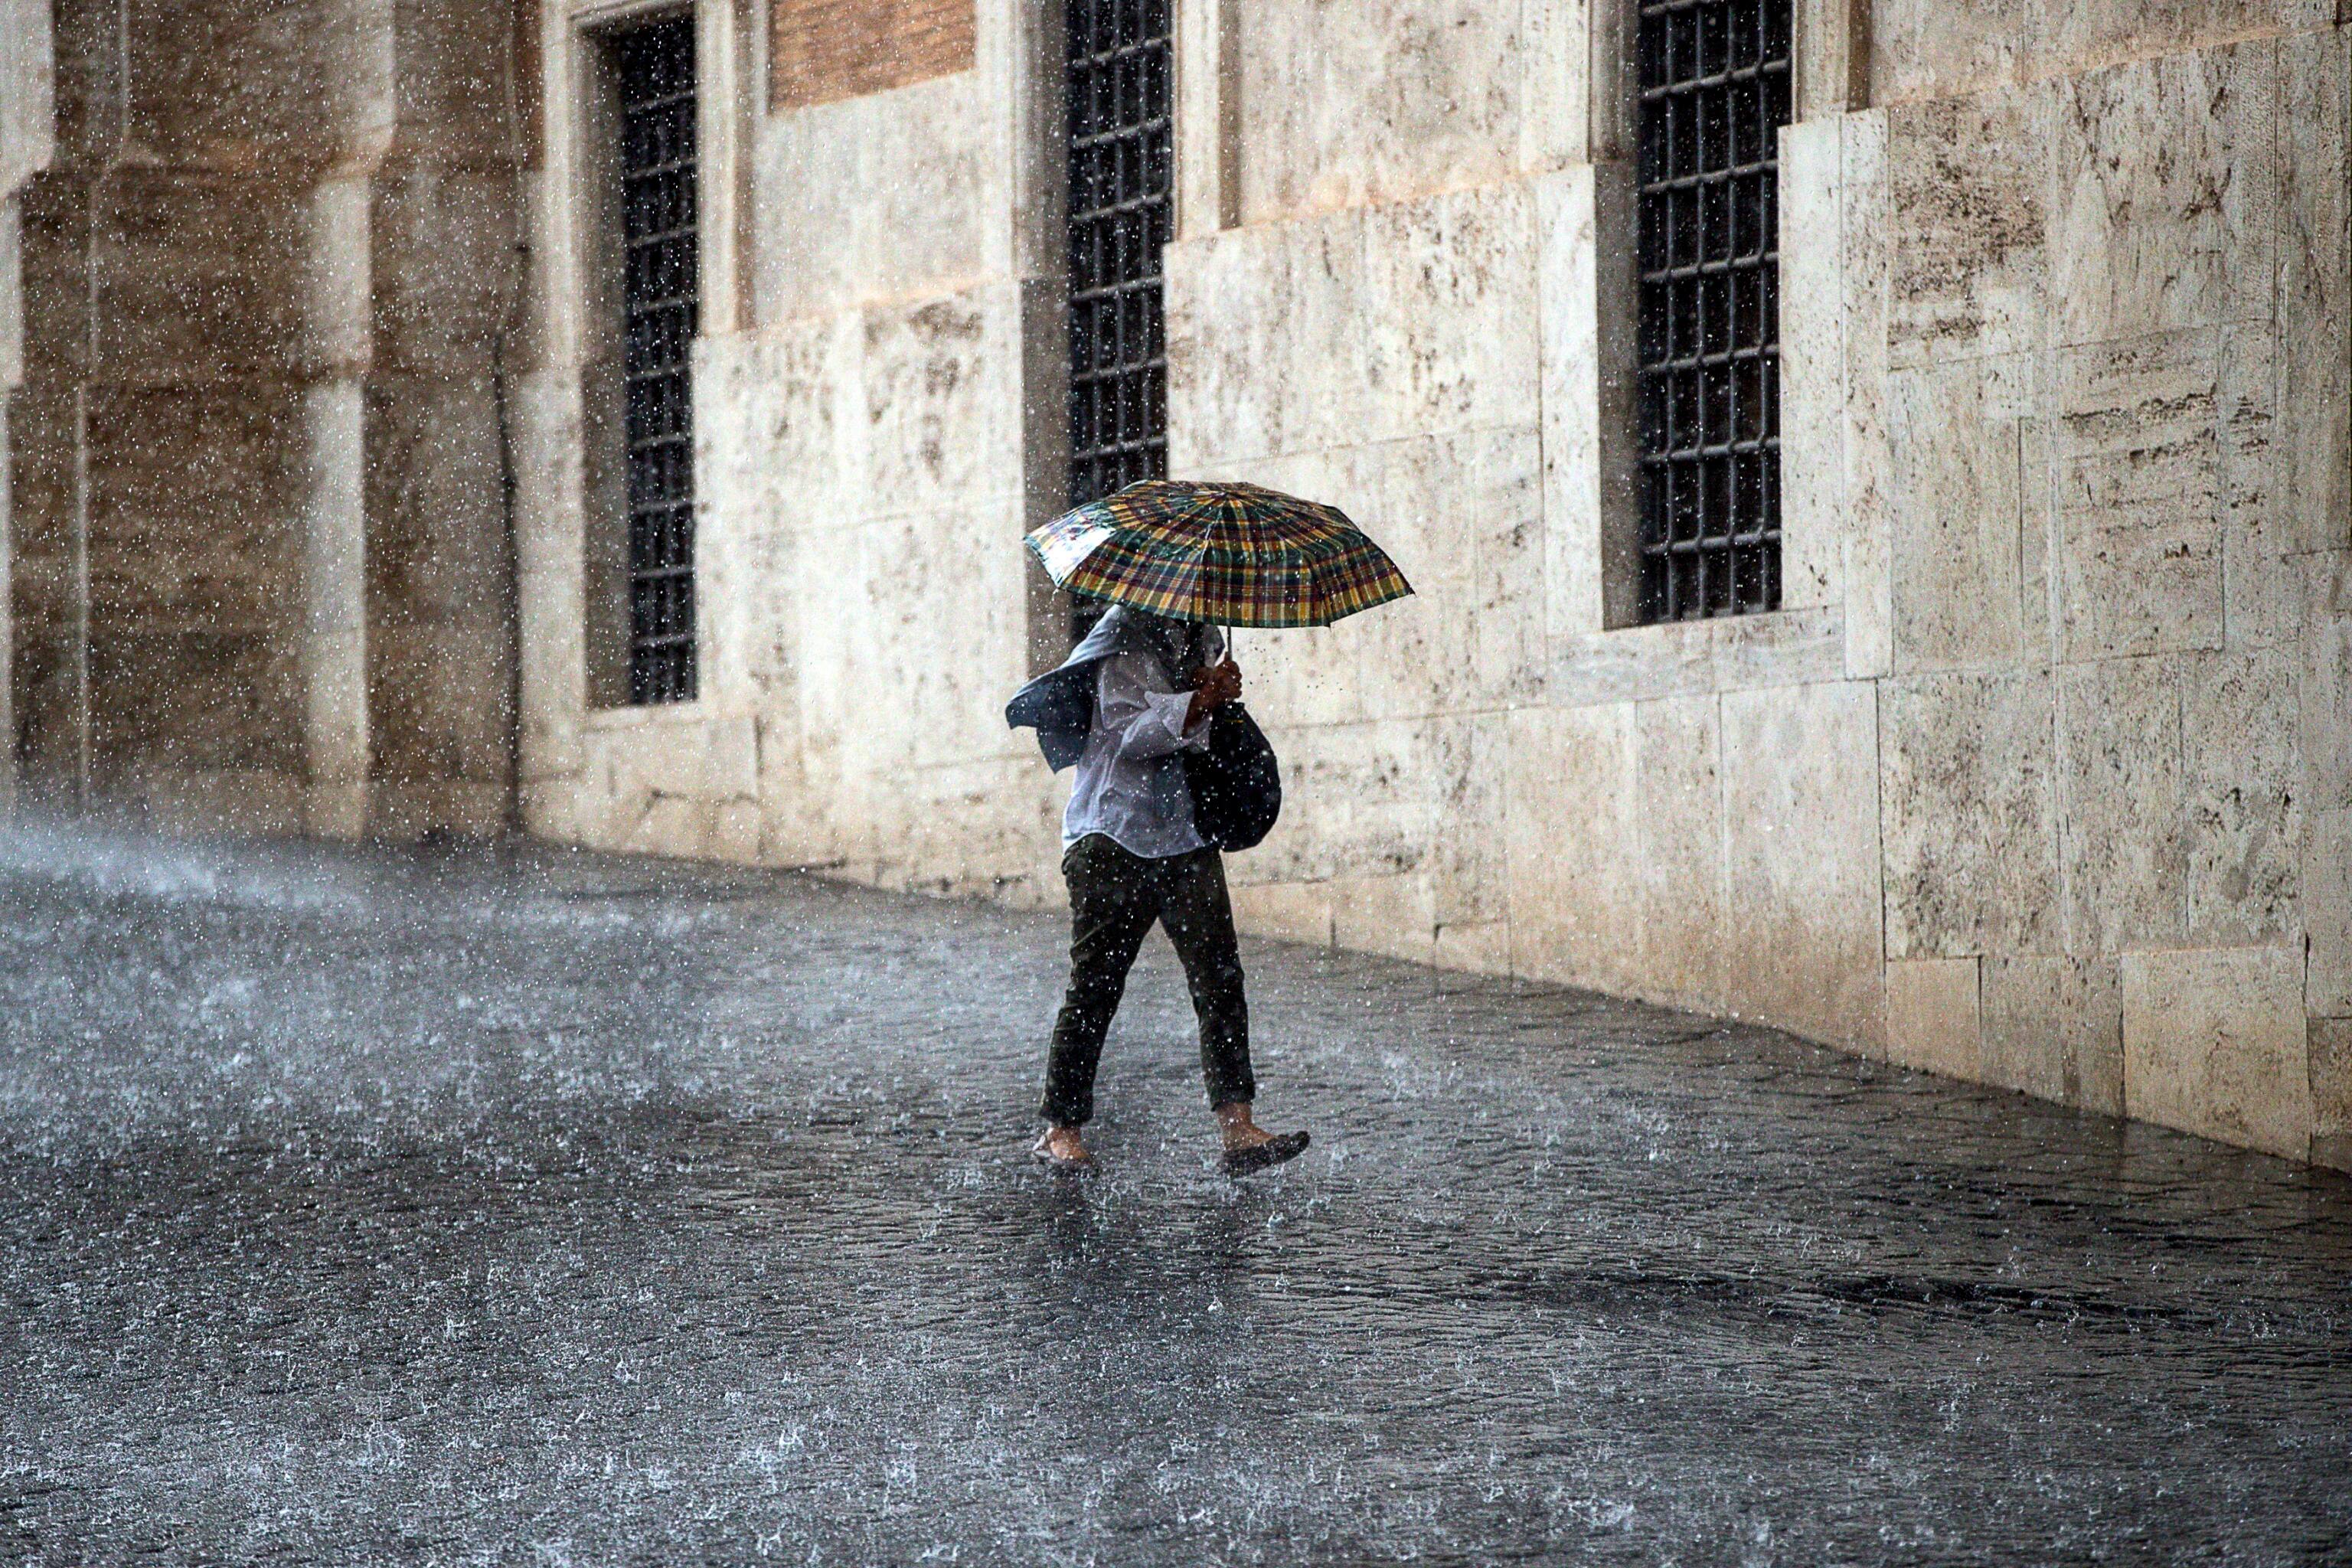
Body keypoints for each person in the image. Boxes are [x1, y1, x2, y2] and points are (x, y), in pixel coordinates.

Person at [1004, 605, 1312, 1178]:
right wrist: (1201, 699)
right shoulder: (1123, 635)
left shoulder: (1201, 635)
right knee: (1096, 987)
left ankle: (1237, 1126)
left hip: (1182, 834)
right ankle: (1060, 1129)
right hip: (1113, 836)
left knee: (1220, 977)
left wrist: (1209, 687)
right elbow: (1131, 735)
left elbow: (1193, 734)